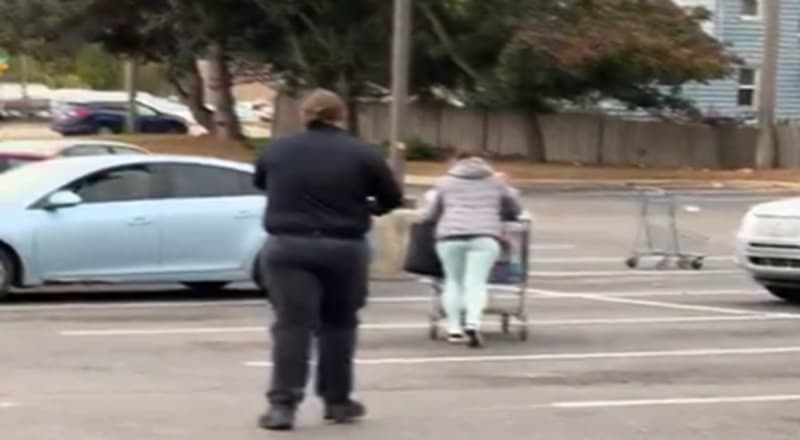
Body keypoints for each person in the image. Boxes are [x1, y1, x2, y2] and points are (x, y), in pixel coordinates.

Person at [253, 89, 404, 431]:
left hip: (289, 246)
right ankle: (338, 401)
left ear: (303, 115)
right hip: (343, 246)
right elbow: (392, 196)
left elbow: (261, 182)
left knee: (292, 326)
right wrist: (368, 207)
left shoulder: (277, 150)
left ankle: (283, 406)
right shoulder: (362, 153)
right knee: (339, 324)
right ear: (341, 116)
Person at [420, 148, 522, 348]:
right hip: (485, 236)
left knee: (453, 281)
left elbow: (431, 213)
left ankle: (454, 329)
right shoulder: (496, 182)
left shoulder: (444, 183)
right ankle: (473, 323)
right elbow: (514, 209)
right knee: (476, 283)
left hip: (450, 236)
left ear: (456, 162)